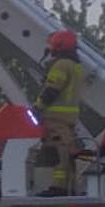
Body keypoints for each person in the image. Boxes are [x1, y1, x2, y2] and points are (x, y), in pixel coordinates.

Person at [34, 29, 87, 196]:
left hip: (56, 117)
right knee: (67, 150)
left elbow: (52, 89)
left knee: (61, 152)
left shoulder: (61, 65)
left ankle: (59, 187)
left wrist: (38, 106)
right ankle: (69, 186)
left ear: (58, 45)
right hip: (70, 117)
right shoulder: (76, 67)